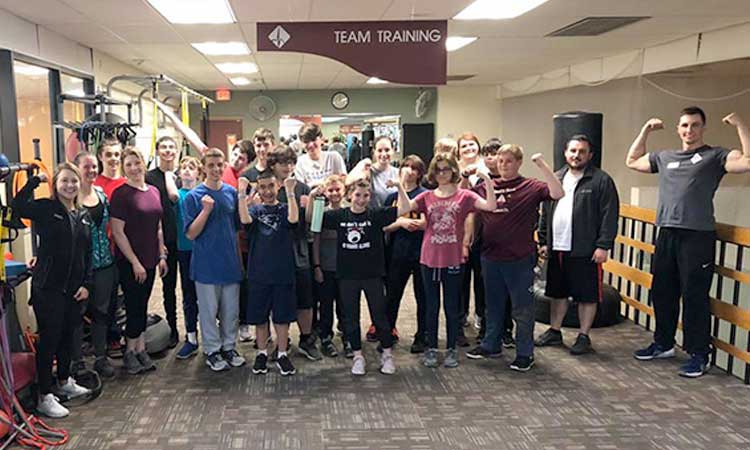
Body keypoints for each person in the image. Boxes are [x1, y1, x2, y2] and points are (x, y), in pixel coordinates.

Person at [627, 108, 750, 378]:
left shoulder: (714, 156)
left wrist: (740, 123)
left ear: (702, 128)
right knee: (662, 291)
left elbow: (748, 161)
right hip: (667, 232)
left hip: (697, 236)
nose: (689, 130)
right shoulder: (666, 156)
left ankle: (699, 354)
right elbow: (632, 160)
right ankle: (663, 344)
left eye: (695, 125)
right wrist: (646, 129)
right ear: (678, 128)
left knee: (694, 296)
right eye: (684, 125)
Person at [466, 145, 564, 372]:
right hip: (490, 256)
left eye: (509, 161)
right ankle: (491, 344)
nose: (503, 165)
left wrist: (542, 164)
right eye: (500, 161)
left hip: (519, 259)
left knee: (522, 309)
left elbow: (558, 193)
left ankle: (524, 353)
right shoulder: (486, 186)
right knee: (493, 305)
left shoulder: (530, 186)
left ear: (519, 162)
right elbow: (465, 200)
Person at [14, 163, 93, 418]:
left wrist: (86, 284)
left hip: (73, 289)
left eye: (74, 181)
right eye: (64, 182)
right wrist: (33, 181)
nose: (70, 186)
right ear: (56, 185)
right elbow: (18, 207)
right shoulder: (47, 209)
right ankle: (44, 396)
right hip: (48, 288)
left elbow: (87, 253)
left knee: (68, 337)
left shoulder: (82, 215)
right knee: (50, 339)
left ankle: (64, 381)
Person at [404, 154, 497, 369]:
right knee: (431, 305)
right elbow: (402, 208)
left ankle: (452, 348)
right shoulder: (426, 196)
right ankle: (431, 348)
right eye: (438, 170)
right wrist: (401, 186)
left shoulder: (464, 196)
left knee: (451, 306)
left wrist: (487, 180)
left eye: (446, 169)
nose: (442, 174)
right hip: (429, 257)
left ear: (453, 170)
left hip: (453, 257)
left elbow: (490, 206)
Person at [535, 135, 619, 355]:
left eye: (582, 151)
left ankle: (583, 336)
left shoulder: (601, 180)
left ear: (590, 155)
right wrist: (543, 240)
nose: (576, 155)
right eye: (573, 151)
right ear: (566, 153)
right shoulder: (556, 177)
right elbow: (546, 211)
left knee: (587, 295)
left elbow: (609, 215)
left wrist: (603, 245)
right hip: (557, 247)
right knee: (557, 293)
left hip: (585, 249)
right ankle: (554, 331)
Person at [321, 178, 411, 375]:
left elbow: (405, 208)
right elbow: (315, 218)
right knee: (350, 318)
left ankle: (386, 355)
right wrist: (315, 196)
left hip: (372, 275)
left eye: (366, 195)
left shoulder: (376, 215)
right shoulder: (339, 215)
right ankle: (357, 356)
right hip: (347, 276)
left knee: (380, 316)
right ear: (349, 196)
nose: (361, 200)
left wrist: (399, 187)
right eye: (358, 195)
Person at [255, 146, 322, 360]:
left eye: (292, 163)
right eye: (283, 163)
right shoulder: (266, 188)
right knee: (274, 300)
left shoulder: (302, 188)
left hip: (299, 250)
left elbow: (315, 221)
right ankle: (279, 342)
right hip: (272, 254)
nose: (288, 167)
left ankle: (306, 339)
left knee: (305, 298)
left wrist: (312, 202)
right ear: (273, 165)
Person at [184, 149, 246, 372]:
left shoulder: (231, 193)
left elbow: (237, 230)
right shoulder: (194, 197)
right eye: (211, 165)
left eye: (220, 164)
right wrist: (206, 211)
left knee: (231, 311)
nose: (216, 169)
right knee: (209, 311)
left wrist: (239, 262)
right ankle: (212, 349)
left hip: (229, 262)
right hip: (206, 265)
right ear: (203, 167)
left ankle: (229, 346)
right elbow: (191, 233)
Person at [110, 148, 168, 375]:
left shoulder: (153, 191)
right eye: (129, 165)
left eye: (137, 163)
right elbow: (118, 232)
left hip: (151, 258)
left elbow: (158, 226)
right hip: (130, 262)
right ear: (124, 169)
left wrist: (161, 254)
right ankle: (130, 353)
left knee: (142, 306)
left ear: (143, 163)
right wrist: (134, 262)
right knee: (134, 307)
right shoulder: (121, 194)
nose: (134, 168)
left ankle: (141, 348)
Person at [238, 172, 299, 376]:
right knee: (260, 317)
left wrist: (290, 192)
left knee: (282, 318)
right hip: (259, 273)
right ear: (258, 189)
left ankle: (282, 353)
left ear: (278, 187)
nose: (267, 191)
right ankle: (262, 353)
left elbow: (293, 219)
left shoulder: (284, 208)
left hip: (283, 272)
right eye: (262, 187)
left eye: (271, 186)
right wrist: (241, 192)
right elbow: (245, 219)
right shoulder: (255, 210)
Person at [73, 152, 117, 379]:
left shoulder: (101, 194)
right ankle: (77, 361)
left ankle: (101, 356)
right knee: (77, 315)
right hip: (79, 268)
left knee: (102, 312)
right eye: (86, 167)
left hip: (104, 264)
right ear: (76, 168)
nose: (91, 171)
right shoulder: (70, 198)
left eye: (93, 167)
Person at [382, 156, 428, 353]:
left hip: (421, 253)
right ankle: (388, 333)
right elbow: (384, 226)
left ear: (420, 173)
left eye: (414, 168)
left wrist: (418, 224)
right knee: (392, 295)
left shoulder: (425, 195)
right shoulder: (391, 197)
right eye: (405, 166)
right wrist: (400, 223)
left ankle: (422, 336)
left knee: (422, 296)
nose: (409, 171)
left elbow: (430, 222)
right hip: (397, 253)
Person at [145, 136, 181, 347]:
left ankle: (191, 330)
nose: (168, 151)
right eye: (164, 147)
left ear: (176, 151)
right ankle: (172, 328)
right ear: (158, 151)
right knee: (168, 288)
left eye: (171, 147)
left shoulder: (183, 175)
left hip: (185, 241)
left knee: (189, 287)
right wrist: (160, 247)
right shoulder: (150, 178)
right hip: (163, 241)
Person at [308, 175, 348, 358]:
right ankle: (325, 338)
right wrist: (316, 266)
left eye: (337, 189)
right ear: (325, 192)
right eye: (330, 190)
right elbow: (315, 239)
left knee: (346, 305)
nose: (334, 193)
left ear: (344, 190)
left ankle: (348, 337)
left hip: (346, 269)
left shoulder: (350, 210)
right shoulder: (319, 212)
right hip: (325, 267)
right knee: (325, 305)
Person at [456, 132, 488, 347]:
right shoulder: (453, 168)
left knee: (482, 278)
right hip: (459, 232)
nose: (469, 148)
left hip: (484, 230)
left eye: (472, 144)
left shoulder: (487, 167)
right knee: (460, 279)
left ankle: (481, 314)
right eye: (464, 146)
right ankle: (461, 315)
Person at [174, 156, 202, 360]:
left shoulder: (203, 195)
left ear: (198, 173)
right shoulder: (176, 196)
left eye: (191, 168)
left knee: (209, 295)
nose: (186, 171)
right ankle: (191, 337)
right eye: (183, 168)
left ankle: (213, 335)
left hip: (203, 250)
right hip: (184, 251)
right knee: (188, 294)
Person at [295, 123, 347, 188]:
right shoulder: (300, 162)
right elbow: (301, 189)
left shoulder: (334, 157)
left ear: (321, 139)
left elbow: (343, 180)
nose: (311, 145)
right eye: (306, 141)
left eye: (314, 140)